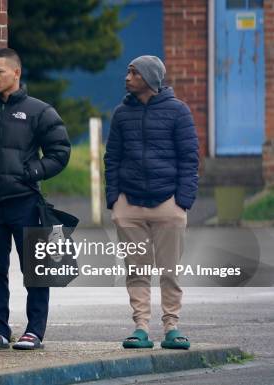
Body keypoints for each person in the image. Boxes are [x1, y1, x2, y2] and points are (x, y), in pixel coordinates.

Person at [0, 48, 71, 350]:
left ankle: (34, 331)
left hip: (25, 203)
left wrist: (32, 171)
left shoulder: (39, 111)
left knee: (35, 269)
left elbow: (60, 152)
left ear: (16, 73)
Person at [104, 55, 199, 350]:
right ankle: (140, 327)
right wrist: (114, 201)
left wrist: (182, 201)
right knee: (136, 270)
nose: (127, 78)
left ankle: (172, 326)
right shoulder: (121, 113)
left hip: (168, 203)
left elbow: (189, 158)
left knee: (169, 270)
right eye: (128, 72)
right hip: (129, 205)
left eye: (133, 73)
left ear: (149, 78)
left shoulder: (178, 112)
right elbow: (112, 158)